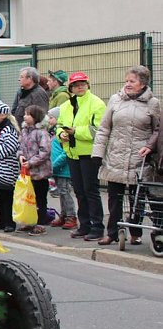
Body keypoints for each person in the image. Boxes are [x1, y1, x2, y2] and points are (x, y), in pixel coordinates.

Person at [92, 66, 161, 245]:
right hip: (116, 155)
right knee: (115, 198)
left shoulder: (153, 103)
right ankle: (112, 232)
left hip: (140, 159)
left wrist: (150, 147)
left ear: (143, 83)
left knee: (136, 199)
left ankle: (135, 233)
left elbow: (157, 131)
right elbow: (104, 128)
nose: (128, 84)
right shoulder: (115, 100)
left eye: (132, 81)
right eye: (127, 81)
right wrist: (97, 153)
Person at [56, 71, 107, 240]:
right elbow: (58, 126)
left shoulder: (97, 104)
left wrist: (75, 132)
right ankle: (84, 225)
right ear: (71, 87)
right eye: (76, 85)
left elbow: (98, 130)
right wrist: (61, 135)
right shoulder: (66, 106)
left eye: (82, 84)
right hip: (73, 153)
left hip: (89, 154)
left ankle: (97, 227)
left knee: (90, 191)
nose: (80, 87)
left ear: (88, 85)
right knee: (79, 191)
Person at [18, 105, 53, 235]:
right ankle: (29, 221)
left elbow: (45, 151)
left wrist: (31, 162)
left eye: (28, 114)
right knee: (29, 199)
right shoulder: (25, 131)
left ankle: (40, 223)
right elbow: (20, 146)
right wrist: (20, 156)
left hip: (40, 172)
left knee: (40, 198)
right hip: (28, 172)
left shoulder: (41, 132)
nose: (25, 116)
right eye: (25, 114)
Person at [0, 100, 20, 232]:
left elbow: (10, 148)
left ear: (2, 115)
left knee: (7, 197)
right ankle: (2, 221)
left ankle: (10, 222)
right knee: (0, 197)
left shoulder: (8, 130)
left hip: (7, 168)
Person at [47, 107, 78, 230]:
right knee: (61, 192)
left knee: (65, 192)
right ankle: (64, 214)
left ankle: (71, 216)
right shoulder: (54, 134)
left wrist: (54, 164)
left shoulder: (62, 135)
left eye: (51, 118)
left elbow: (65, 153)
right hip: (58, 169)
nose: (49, 120)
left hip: (63, 169)